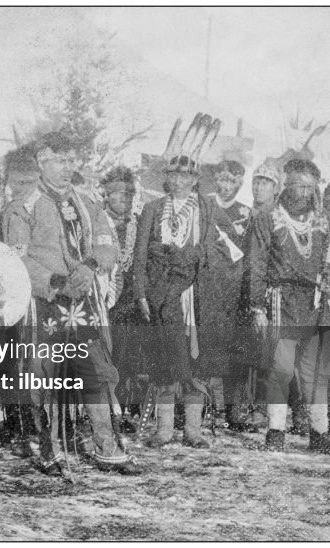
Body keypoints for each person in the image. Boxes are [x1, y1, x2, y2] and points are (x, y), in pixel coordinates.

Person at [1, 132, 141, 476]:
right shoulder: (23, 206)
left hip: (84, 301)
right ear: (41, 163)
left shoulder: (87, 203)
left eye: (71, 161)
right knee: (43, 373)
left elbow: (107, 243)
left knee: (96, 369)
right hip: (47, 301)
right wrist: (55, 281)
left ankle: (106, 444)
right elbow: (17, 259)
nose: (67, 168)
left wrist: (93, 265)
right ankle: (49, 448)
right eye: (59, 161)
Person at [133, 154, 233, 450]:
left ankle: (193, 429)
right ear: (167, 177)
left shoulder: (208, 208)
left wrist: (197, 253)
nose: (179, 181)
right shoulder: (152, 209)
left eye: (185, 176)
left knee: (196, 358)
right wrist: (141, 292)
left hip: (197, 293)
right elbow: (139, 255)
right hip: (162, 293)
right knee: (165, 356)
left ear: (194, 179)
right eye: (173, 175)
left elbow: (228, 247)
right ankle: (164, 429)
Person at [248, 159, 330, 454]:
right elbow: (257, 264)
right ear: (286, 185)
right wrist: (257, 305)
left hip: (312, 301)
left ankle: (319, 432)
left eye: (311, 187)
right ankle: (276, 432)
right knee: (281, 369)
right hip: (280, 300)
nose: (305, 192)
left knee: (314, 371)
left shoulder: (324, 220)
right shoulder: (268, 217)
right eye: (300, 185)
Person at [202, 160, 254, 430]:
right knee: (201, 348)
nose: (225, 185)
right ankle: (200, 407)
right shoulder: (203, 205)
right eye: (221, 178)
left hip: (235, 293)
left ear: (240, 184)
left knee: (235, 352)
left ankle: (234, 411)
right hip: (206, 287)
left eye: (231, 180)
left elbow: (249, 256)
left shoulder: (246, 213)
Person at [98, 166, 145, 431]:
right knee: (105, 353)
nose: (123, 199)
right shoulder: (98, 221)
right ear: (106, 195)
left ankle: (124, 409)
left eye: (128, 194)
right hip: (105, 298)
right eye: (117, 193)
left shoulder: (138, 222)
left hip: (130, 300)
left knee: (128, 355)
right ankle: (104, 409)